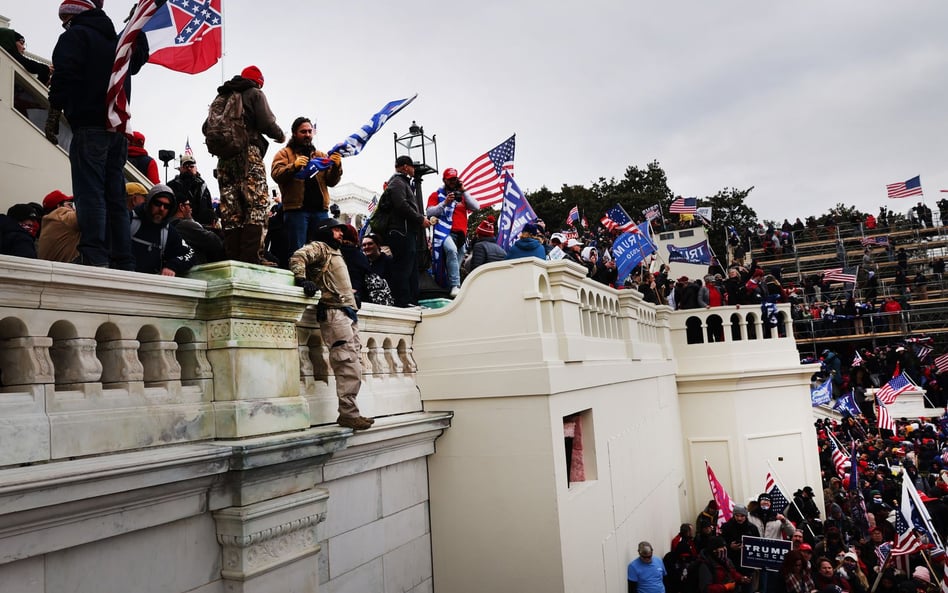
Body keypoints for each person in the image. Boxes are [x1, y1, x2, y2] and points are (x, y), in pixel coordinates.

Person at [47, 0, 149, 269]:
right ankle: (122, 257)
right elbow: (137, 62)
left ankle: (94, 253)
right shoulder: (118, 41)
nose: (64, 24)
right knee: (115, 195)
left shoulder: (75, 36)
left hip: (89, 125)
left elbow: (63, 75)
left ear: (73, 16)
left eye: (65, 19)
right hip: (117, 130)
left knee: (89, 192)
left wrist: (55, 107)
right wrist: (140, 27)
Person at [289, 218, 375, 430]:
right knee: (347, 363)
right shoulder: (320, 247)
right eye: (336, 230)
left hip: (346, 312)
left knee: (353, 363)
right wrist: (301, 280)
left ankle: (350, 412)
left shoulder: (335, 252)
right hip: (334, 312)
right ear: (325, 231)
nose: (340, 234)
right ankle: (348, 414)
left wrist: (353, 299)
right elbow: (298, 257)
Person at [205, 65, 285, 264]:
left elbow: (206, 127)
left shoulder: (221, 97)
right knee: (256, 203)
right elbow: (267, 122)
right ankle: (251, 257)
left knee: (231, 207)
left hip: (224, 159)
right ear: (259, 82)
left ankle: (233, 256)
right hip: (248, 154)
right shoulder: (254, 93)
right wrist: (280, 135)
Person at [271, 117, 343, 254]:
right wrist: (294, 166)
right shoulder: (284, 154)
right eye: (303, 132)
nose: (307, 135)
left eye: (310, 131)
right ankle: (299, 275)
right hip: (296, 211)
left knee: (321, 251)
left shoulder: (320, 155)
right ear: (294, 133)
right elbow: (276, 174)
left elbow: (332, 182)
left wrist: (336, 166)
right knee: (297, 251)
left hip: (320, 212)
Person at [384, 156, 431, 307]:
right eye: (412, 167)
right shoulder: (397, 182)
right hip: (401, 232)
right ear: (405, 167)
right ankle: (403, 302)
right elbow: (401, 205)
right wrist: (419, 219)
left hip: (406, 231)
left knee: (410, 268)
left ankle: (411, 300)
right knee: (403, 268)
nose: (414, 170)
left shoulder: (401, 182)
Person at [426, 167, 479, 297]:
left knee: (454, 264)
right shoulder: (436, 195)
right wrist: (444, 203)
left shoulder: (461, 196)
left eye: (454, 179)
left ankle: (448, 289)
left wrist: (464, 190)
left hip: (461, 235)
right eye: (449, 180)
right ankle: (456, 285)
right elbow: (429, 212)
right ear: (444, 180)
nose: (452, 182)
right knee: (451, 250)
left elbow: (476, 207)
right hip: (444, 233)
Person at [130, 184, 195, 276]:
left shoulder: (168, 232)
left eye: (166, 206)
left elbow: (190, 253)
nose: (161, 209)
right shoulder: (129, 220)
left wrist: (172, 266)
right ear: (149, 202)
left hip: (150, 284)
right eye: (157, 203)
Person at [169, 195, 225, 265]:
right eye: (189, 205)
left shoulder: (169, 224)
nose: (191, 208)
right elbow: (216, 242)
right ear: (181, 207)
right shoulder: (186, 224)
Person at [167, 155, 216, 229]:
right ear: (180, 168)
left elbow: (209, 208)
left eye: (191, 166)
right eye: (186, 166)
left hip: (203, 228)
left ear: (196, 168)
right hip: (181, 227)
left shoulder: (204, 187)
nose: (189, 168)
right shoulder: (172, 185)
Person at [37, 191, 79, 262]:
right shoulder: (61, 216)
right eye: (70, 205)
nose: (73, 209)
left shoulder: (48, 224)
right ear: (59, 206)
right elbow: (88, 215)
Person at [359, 233, 395, 306]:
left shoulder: (389, 262)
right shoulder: (362, 264)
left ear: (378, 245)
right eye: (364, 245)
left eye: (370, 244)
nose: (367, 247)